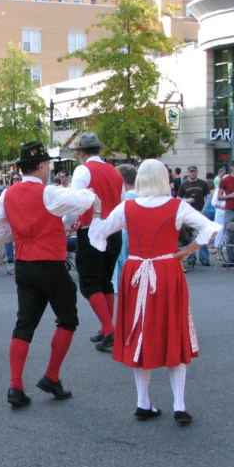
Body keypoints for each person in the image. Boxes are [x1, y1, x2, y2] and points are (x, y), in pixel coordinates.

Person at [88, 159, 221, 425]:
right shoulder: (177, 206)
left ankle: (142, 402)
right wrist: (187, 250)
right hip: (166, 271)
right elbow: (211, 226)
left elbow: (99, 234)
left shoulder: (127, 207)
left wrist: (94, 212)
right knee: (174, 332)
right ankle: (179, 406)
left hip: (135, 273)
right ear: (164, 178)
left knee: (140, 334)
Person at [0, 141, 95, 407]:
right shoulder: (49, 193)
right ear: (43, 166)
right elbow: (83, 198)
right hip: (50, 262)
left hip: (24, 263)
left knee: (24, 323)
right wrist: (90, 194)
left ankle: (15, 385)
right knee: (67, 319)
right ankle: (51, 376)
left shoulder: (8, 194)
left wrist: (21, 236)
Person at [64, 132, 125, 352]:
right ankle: (107, 326)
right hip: (113, 232)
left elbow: (75, 202)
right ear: (99, 150)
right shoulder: (115, 172)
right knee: (105, 281)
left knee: (90, 283)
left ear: (81, 152)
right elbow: (122, 203)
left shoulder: (83, 170)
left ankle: (109, 329)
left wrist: (66, 224)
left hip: (92, 231)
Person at [176, 166, 212, 266]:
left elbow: (208, 197)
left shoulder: (203, 183)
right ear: (187, 173)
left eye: (194, 172)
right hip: (189, 214)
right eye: (190, 172)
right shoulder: (183, 185)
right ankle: (192, 257)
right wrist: (187, 200)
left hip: (200, 212)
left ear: (196, 172)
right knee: (190, 236)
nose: (192, 173)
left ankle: (204, 258)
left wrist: (204, 209)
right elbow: (178, 199)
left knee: (203, 234)